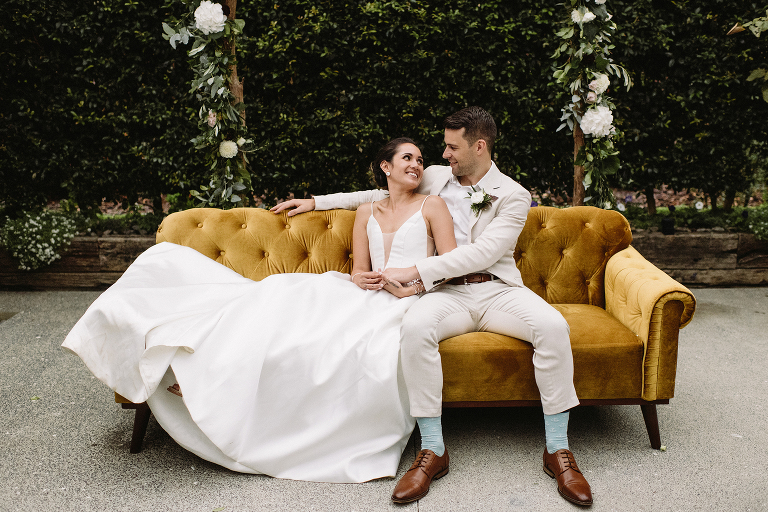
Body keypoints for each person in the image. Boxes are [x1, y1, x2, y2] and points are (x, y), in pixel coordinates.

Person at [62, 138, 458, 483]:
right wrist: (360, 278)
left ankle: (212, 386)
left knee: (336, 341)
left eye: (421, 160)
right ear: (386, 167)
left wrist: (412, 287)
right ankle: (203, 371)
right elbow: (358, 270)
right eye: (407, 158)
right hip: (363, 293)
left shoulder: (433, 204)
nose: (416, 165)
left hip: (404, 299)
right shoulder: (368, 211)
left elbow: (450, 265)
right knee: (276, 296)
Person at [271, 107, 594, 506]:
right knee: (415, 328)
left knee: (553, 327)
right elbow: (378, 194)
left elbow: (485, 253)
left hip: (498, 290)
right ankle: (433, 450)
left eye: (452, 147)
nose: (444, 154)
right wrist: (316, 201)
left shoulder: (514, 194)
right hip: (445, 293)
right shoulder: (438, 177)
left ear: (479, 146)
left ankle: (558, 449)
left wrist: (413, 270)